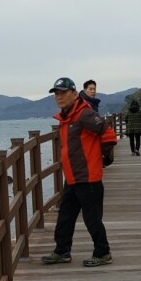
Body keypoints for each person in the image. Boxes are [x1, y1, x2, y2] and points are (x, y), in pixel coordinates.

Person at [42, 77, 117, 267]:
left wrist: (103, 156)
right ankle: (62, 251)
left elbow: (108, 134)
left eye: (63, 93)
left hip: (88, 177)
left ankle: (103, 253)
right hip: (73, 176)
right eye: (56, 93)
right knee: (65, 217)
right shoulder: (66, 117)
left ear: (74, 94)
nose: (59, 97)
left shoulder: (84, 114)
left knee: (92, 218)